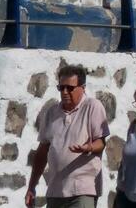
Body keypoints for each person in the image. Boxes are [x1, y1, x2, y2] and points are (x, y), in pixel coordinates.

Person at [26, 63, 109, 208]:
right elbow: (42, 151)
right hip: (55, 191)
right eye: (61, 88)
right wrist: (32, 186)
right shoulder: (51, 112)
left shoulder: (92, 106)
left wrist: (88, 147)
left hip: (82, 190)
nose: (64, 92)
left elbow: (101, 142)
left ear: (82, 88)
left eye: (69, 88)